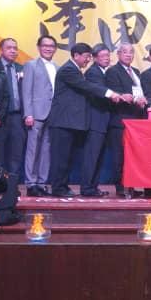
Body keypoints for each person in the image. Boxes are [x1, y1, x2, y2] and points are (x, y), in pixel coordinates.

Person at [47, 43, 118, 198]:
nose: (88, 60)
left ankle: (62, 187)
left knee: (66, 158)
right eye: (86, 57)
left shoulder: (75, 70)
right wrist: (108, 93)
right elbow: (85, 86)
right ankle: (58, 189)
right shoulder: (68, 70)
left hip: (70, 122)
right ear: (75, 56)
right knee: (60, 158)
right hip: (62, 121)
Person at [102, 43, 148, 197]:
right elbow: (113, 93)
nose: (128, 55)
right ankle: (120, 187)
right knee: (119, 155)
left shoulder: (135, 71)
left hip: (135, 120)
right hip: (120, 120)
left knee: (132, 156)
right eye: (125, 52)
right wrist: (125, 96)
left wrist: (142, 100)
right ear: (118, 54)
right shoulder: (112, 71)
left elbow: (138, 91)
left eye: (131, 52)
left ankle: (132, 186)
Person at [22, 35, 58, 197]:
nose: (48, 48)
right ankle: (31, 183)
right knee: (32, 149)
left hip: (52, 113)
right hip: (36, 113)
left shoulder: (57, 67)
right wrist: (28, 113)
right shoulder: (31, 65)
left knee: (46, 150)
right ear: (38, 47)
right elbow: (26, 91)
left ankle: (42, 183)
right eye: (45, 45)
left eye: (51, 46)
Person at [0, 37, 25, 179]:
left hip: (17, 115)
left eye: (15, 48)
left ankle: (12, 182)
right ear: (1, 50)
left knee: (16, 150)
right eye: (9, 48)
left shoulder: (21, 68)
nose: (13, 51)